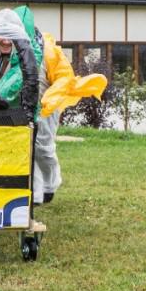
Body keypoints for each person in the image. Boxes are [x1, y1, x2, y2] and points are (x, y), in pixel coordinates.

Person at [35, 32, 107, 204]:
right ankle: (36, 192)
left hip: (47, 106)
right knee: (28, 150)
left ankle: (50, 183)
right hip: (24, 107)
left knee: (43, 148)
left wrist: (50, 99)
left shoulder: (49, 51)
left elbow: (64, 77)